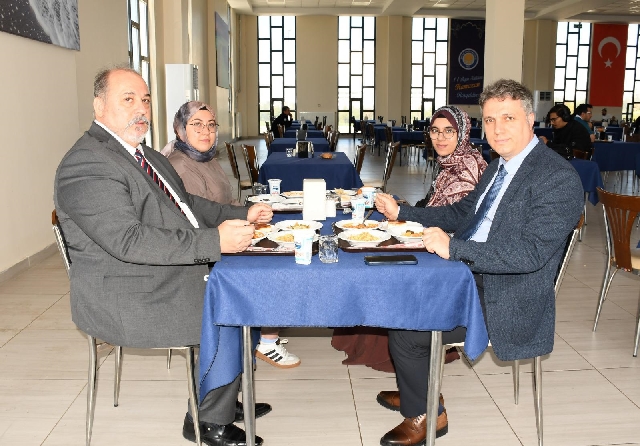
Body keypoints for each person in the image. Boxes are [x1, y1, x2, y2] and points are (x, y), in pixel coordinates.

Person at [54, 67, 274, 446]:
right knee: (233, 298)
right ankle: (207, 421)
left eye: (145, 99)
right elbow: (129, 241)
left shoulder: (146, 155)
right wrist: (214, 243)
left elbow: (189, 206)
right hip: (128, 293)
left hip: (152, 271)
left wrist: (243, 213)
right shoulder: (87, 163)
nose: (141, 109)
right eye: (128, 99)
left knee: (248, 282)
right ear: (99, 106)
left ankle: (219, 394)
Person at [374, 79, 583, 445]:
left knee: (406, 325)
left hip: (508, 293)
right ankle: (418, 388)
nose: (497, 129)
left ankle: (426, 413)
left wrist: (454, 248)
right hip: (470, 273)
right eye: (489, 120)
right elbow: (461, 213)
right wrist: (403, 213)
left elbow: (530, 254)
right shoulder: (498, 166)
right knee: (397, 290)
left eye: (508, 118)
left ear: (530, 119)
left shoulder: (557, 178)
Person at [331, 105, 487, 373]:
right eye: (435, 130)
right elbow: (431, 206)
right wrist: (400, 208)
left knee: (383, 265)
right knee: (372, 248)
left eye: (449, 131)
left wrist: (403, 213)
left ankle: (402, 347)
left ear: (462, 133)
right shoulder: (451, 163)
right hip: (437, 239)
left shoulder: (468, 168)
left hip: (454, 257)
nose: (440, 137)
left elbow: (454, 218)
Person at [162, 100, 301, 369]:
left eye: (211, 125)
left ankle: (263, 328)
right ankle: (267, 341)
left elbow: (224, 203)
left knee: (282, 243)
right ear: (180, 130)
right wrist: (245, 222)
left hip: (223, 235)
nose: (206, 131)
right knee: (275, 265)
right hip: (206, 252)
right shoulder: (182, 166)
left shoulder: (205, 158)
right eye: (197, 124)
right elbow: (198, 220)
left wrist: (249, 213)